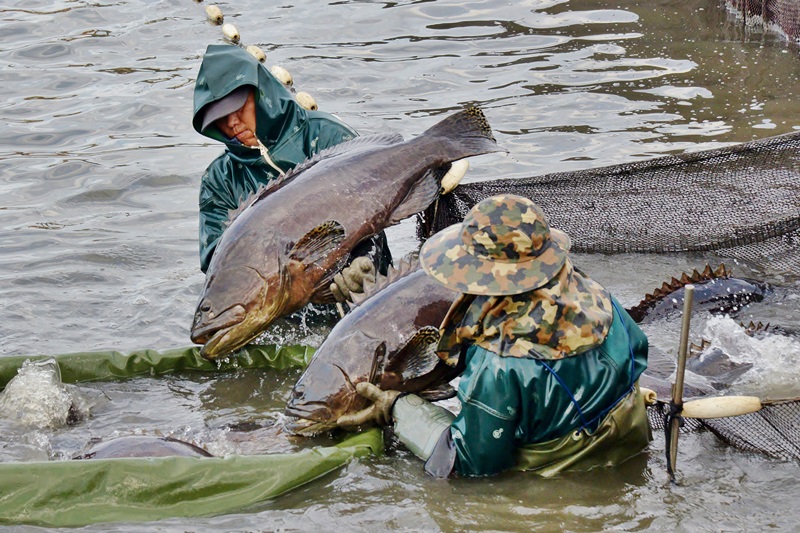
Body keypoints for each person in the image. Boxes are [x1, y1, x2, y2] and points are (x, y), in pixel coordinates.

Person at [338, 194, 651, 477]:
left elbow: (473, 463)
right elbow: (638, 350)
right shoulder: (596, 294)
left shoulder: (498, 360)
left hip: (564, 468)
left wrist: (398, 407)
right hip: (631, 438)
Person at [192, 44, 391, 301]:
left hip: (360, 294)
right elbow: (215, 260)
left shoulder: (326, 135)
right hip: (281, 306)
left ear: (260, 94)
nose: (231, 122)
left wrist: (365, 261)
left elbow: (374, 206)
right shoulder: (219, 180)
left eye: (238, 108)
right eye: (220, 117)